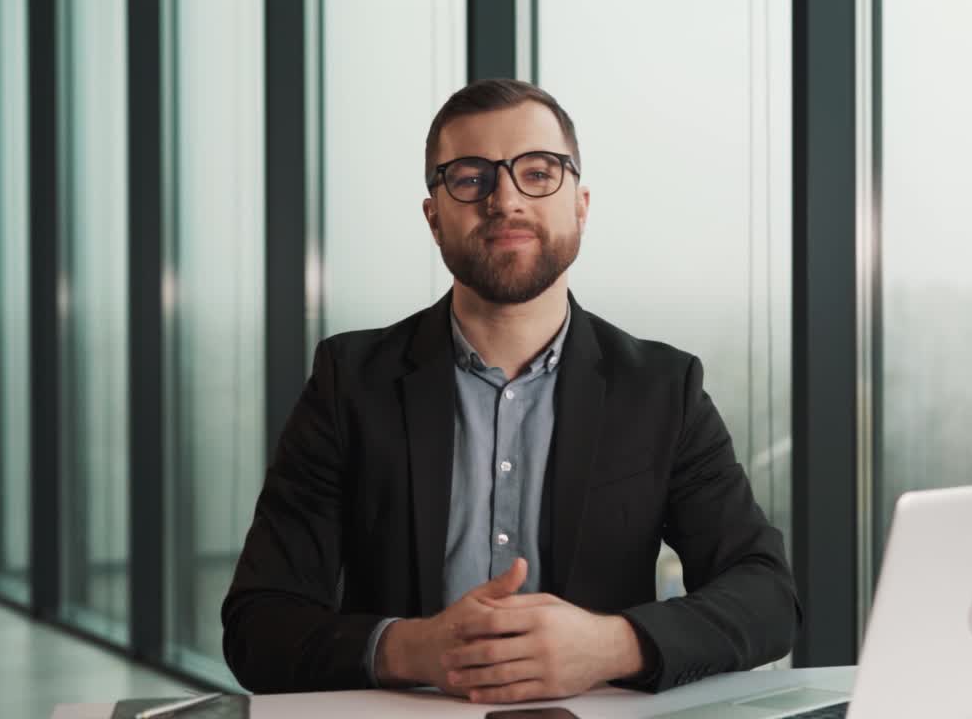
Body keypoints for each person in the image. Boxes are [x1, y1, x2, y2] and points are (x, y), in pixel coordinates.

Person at [222, 78, 799, 704]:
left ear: (580, 203)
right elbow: (258, 623)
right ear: (434, 215)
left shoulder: (663, 387)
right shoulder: (349, 382)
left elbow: (767, 593)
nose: (506, 199)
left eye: (538, 172)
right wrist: (414, 648)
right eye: (471, 178)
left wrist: (610, 644)